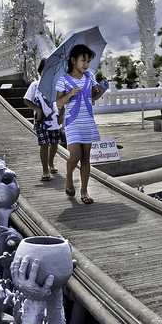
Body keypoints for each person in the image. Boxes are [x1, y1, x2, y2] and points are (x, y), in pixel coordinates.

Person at [55, 44, 108, 204]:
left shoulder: (90, 77)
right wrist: (70, 93)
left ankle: (84, 191)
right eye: (83, 60)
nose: (86, 64)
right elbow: (58, 103)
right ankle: (69, 177)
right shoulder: (63, 80)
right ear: (73, 60)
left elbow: (94, 97)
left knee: (86, 158)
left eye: (88, 61)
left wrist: (102, 89)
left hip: (88, 122)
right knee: (75, 155)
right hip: (72, 123)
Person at [23, 58, 63, 181]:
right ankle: (45, 170)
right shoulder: (35, 85)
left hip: (55, 119)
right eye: (44, 70)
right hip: (41, 121)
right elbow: (26, 100)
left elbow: (63, 102)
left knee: (55, 144)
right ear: (40, 71)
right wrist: (38, 110)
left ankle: (51, 163)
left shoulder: (56, 85)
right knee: (44, 144)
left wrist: (62, 114)